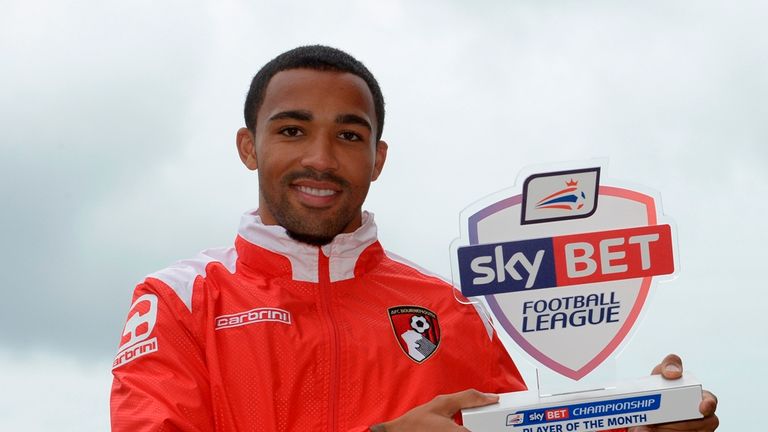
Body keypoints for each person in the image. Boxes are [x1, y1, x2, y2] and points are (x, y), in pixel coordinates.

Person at [110, 45, 718, 432]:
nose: (320, 160)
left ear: (377, 158)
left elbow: (523, 429)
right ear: (249, 147)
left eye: (349, 137)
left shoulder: (449, 311)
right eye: (293, 131)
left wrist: (635, 420)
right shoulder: (179, 301)